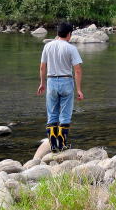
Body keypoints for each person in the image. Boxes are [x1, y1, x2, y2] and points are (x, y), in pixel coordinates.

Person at [37, 22, 84, 152]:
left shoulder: (47, 46)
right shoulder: (71, 48)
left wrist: (42, 83)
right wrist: (79, 89)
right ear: (69, 34)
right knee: (65, 116)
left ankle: (53, 146)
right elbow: (78, 70)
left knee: (52, 115)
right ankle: (62, 145)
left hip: (51, 81)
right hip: (66, 81)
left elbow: (42, 67)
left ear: (57, 33)